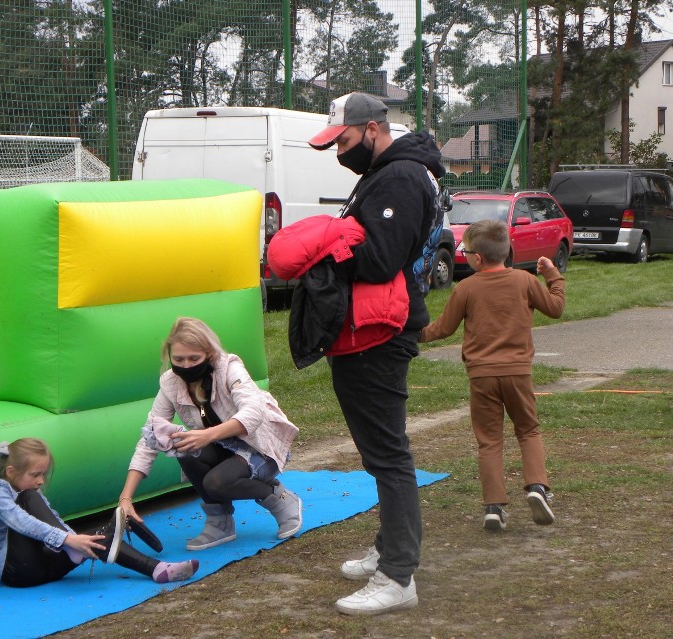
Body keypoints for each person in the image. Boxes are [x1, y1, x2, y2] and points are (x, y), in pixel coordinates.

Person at [299, 92, 447, 615]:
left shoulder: (400, 177)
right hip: (372, 328)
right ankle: (390, 548)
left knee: (388, 454)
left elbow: (381, 259)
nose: (338, 153)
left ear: (371, 129)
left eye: (342, 141)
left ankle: (398, 575)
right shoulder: (392, 171)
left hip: (380, 332)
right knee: (381, 451)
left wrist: (321, 246)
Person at [420, 219, 566, 531]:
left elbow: (442, 329)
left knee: (489, 441)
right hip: (518, 373)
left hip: (481, 376)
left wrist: (411, 334)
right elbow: (555, 308)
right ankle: (537, 488)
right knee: (528, 430)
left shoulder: (466, 288)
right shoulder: (525, 282)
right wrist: (552, 275)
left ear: (478, 259)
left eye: (465, 251)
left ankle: (493, 508)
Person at [119, 317, 302, 551]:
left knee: (216, 483)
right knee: (182, 448)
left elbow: (253, 412)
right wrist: (126, 498)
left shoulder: (229, 367)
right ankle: (220, 522)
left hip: (260, 447)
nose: (186, 366)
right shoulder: (170, 383)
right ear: (169, 356)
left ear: (209, 353)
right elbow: (150, 438)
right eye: (178, 359)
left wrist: (206, 436)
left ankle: (278, 497)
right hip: (222, 447)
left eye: (194, 358)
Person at [0, 437, 199, 587]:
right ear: (11, 471)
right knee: (30, 499)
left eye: (43, 474)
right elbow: (23, 523)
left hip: (46, 566)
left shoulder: (28, 488)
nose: (41, 480)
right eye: (35, 475)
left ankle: (157, 569)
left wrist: (77, 541)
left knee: (100, 536)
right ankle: (73, 547)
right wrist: (68, 540)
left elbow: (51, 518)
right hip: (16, 572)